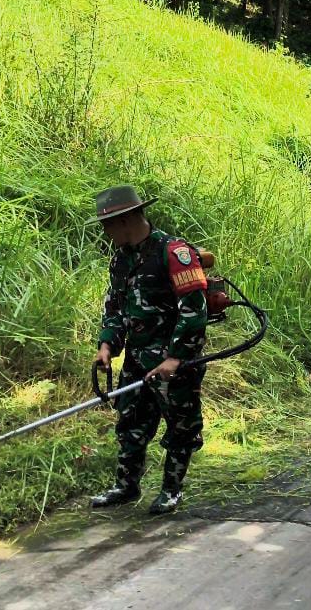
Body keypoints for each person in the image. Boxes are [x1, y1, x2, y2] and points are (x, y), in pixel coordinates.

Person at [90, 185, 209, 515]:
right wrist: (106, 346)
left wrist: (176, 357)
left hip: (175, 363)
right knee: (130, 424)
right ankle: (127, 487)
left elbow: (194, 310)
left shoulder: (174, 252)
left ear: (125, 220)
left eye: (107, 226)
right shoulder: (121, 260)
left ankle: (171, 490)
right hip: (138, 360)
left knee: (180, 426)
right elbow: (115, 308)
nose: (106, 233)